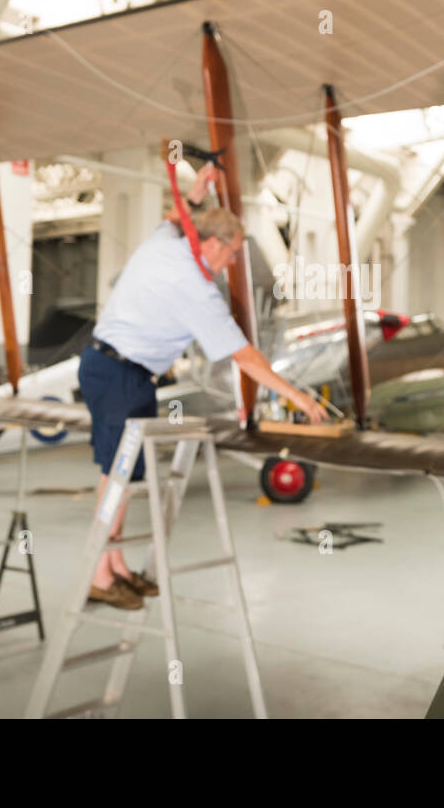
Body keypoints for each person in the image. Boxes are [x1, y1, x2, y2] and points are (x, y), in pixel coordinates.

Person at [79, 164, 328, 609]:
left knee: (119, 475)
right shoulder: (195, 289)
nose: (233, 262)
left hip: (117, 369)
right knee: (118, 477)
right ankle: (99, 574)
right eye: (232, 252)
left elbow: (178, 218)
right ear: (212, 244)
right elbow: (245, 356)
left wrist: (198, 191)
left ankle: (114, 566)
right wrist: (298, 397)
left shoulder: (166, 243)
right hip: (120, 373)